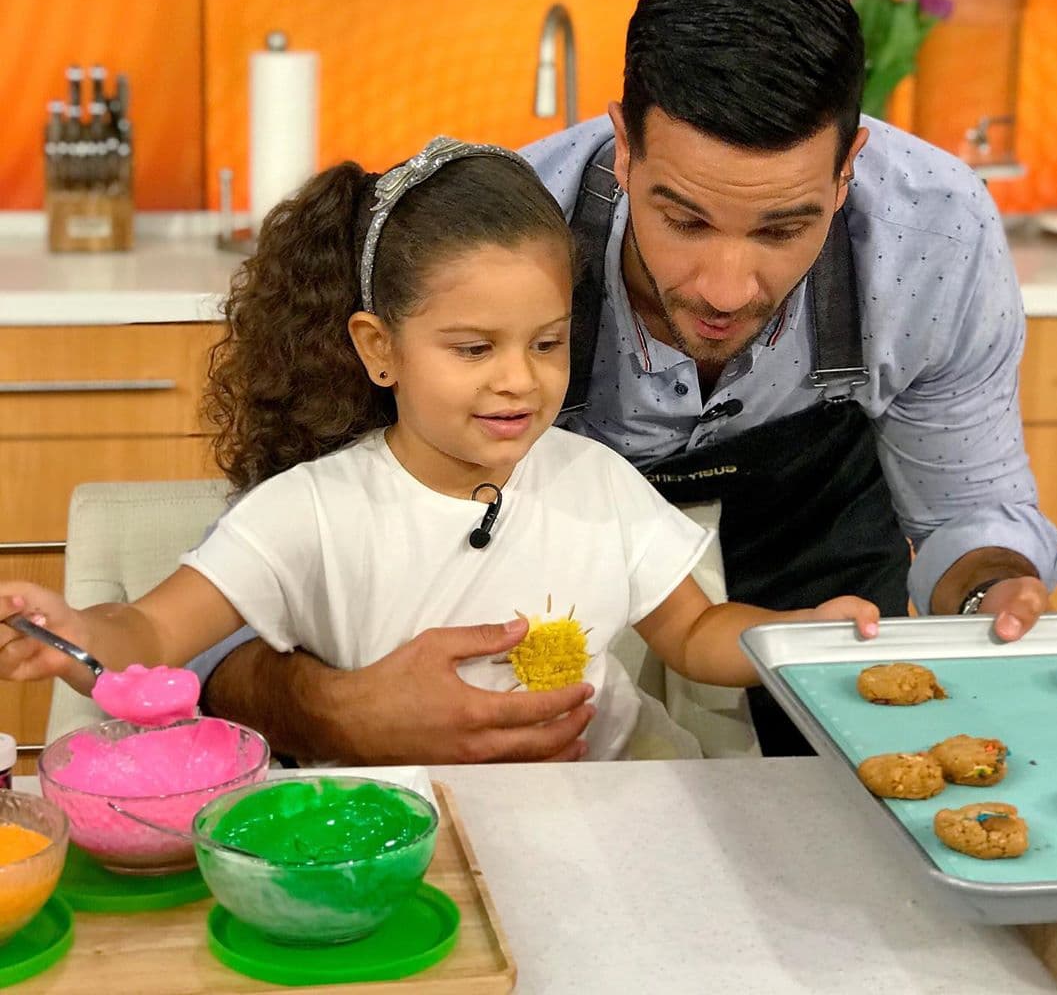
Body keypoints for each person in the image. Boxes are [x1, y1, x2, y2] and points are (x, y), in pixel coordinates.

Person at [192, 0, 1057, 761]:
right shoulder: (493, 250)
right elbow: (225, 617)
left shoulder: (934, 234)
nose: (727, 288)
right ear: (623, 145)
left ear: (849, 171)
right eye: (683, 218)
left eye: (784, 227)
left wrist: (988, 593)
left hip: (810, 608)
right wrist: (337, 708)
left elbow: (968, 512)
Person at [0, 138, 878, 762]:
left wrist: (794, 635)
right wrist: (77, 632)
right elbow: (153, 629)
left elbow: (693, 631)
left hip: (617, 815)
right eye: (472, 349)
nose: (519, 382)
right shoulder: (308, 513)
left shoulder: (592, 480)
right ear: (379, 349)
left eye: (546, 343)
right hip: (402, 839)